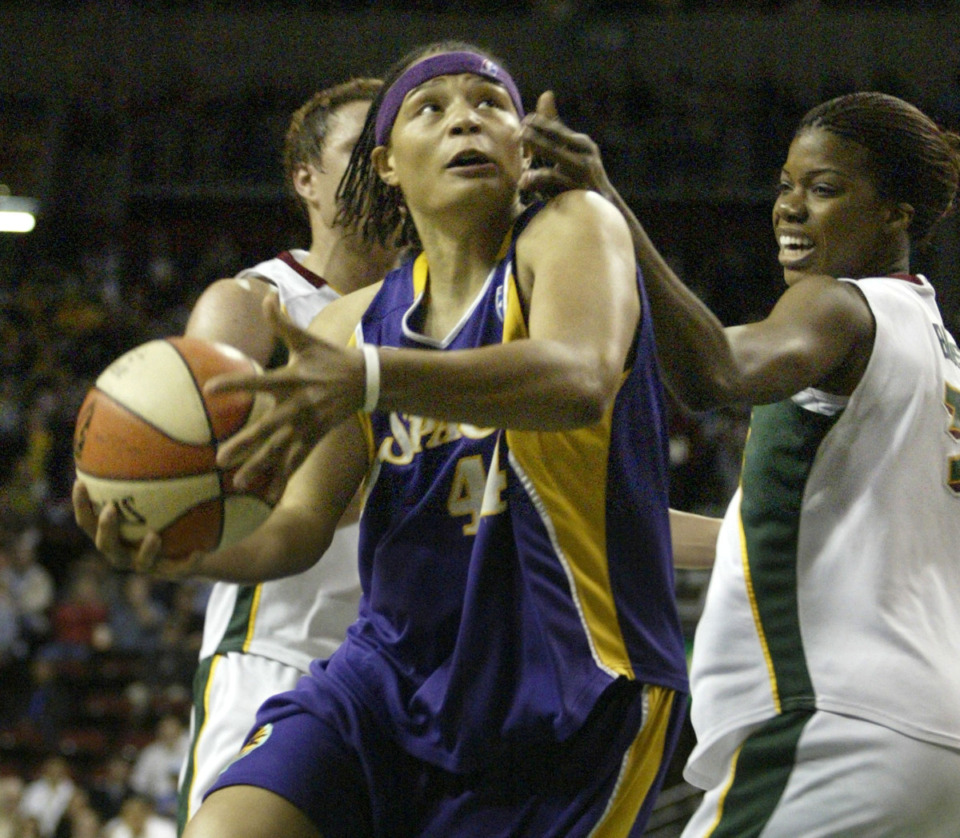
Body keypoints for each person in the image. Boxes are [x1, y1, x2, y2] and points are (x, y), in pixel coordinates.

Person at [77, 41, 696, 837]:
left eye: (489, 103)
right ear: (389, 165)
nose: (464, 118)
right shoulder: (348, 322)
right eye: (430, 109)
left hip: (570, 683)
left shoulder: (571, 229)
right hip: (384, 677)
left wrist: (373, 377)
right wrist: (181, 554)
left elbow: (578, 379)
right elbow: (300, 528)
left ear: (523, 145)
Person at [523, 90, 960, 834]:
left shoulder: (839, 306)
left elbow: (717, 372)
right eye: (786, 185)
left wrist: (608, 211)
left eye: (824, 189)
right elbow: (759, 541)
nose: (790, 208)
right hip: (926, 738)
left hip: (834, 727)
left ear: (897, 215)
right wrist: (559, 528)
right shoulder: (934, 344)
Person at [168, 78, 400, 833]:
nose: (380, 164)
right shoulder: (253, 303)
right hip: (282, 660)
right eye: (357, 150)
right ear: (304, 177)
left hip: (418, 678)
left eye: (389, 151)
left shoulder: (454, 318)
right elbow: (200, 475)